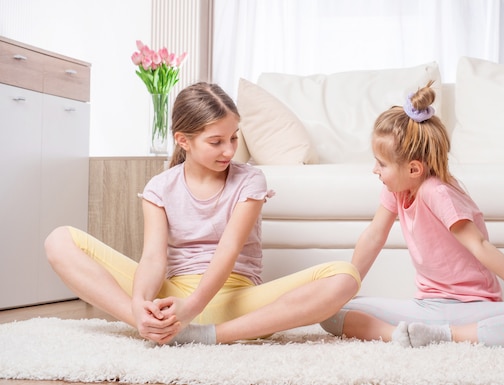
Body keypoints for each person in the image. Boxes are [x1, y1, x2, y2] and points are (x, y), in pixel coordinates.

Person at [45, 82, 361, 345]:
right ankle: (148, 326)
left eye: (234, 138)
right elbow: (153, 258)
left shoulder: (250, 180)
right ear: (184, 141)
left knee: (344, 277)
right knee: (59, 241)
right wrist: (142, 303)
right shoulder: (160, 187)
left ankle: (209, 336)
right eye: (216, 141)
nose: (229, 149)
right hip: (174, 296)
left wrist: (191, 309)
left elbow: (228, 249)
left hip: (237, 304)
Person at [320, 81, 504, 348]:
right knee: (327, 310)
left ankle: (446, 336)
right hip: (425, 308)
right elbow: (374, 235)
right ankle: (403, 335)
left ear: (414, 169)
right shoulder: (397, 188)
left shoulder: (436, 192)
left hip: (472, 307)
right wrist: (345, 288)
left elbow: (479, 244)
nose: (374, 170)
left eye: (381, 164)